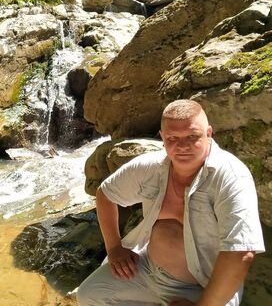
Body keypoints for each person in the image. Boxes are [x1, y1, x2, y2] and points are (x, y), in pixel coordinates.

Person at [77, 99, 265, 306]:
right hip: (147, 271)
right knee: (89, 295)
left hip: (204, 288)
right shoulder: (150, 167)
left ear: (209, 134)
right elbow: (105, 194)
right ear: (162, 137)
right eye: (173, 138)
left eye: (192, 136)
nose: (182, 146)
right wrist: (114, 248)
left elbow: (241, 253)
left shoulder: (230, 177)